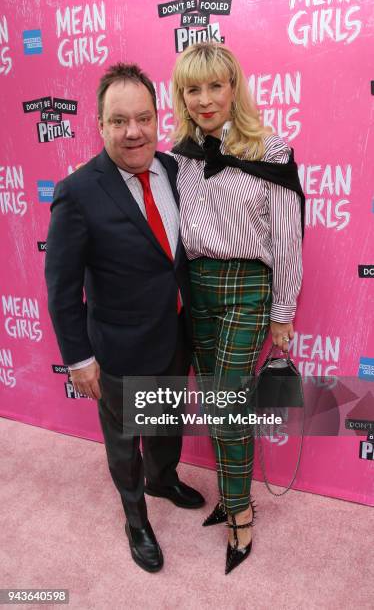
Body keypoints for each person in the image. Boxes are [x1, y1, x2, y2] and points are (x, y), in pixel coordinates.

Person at [45, 63, 205, 574]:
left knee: (165, 424)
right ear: (99, 123)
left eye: (142, 118)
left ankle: (163, 479)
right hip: (115, 346)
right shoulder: (77, 192)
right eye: (119, 121)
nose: (133, 131)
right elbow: (62, 288)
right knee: (124, 441)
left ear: (158, 118)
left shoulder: (176, 170)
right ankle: (135, 517)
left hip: (174, 333)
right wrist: (78, 359)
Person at [171, 43, 304, 574]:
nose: (205, 99)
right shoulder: (177, 158)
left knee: (226, 406)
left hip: (250, 286)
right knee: (217, 403)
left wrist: (284, 310)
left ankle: (241, 514)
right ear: (182, 95)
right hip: (197, 289)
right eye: (192, 89)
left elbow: (288, 238)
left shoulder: (271, 151)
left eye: (214, 86)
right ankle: (230, 496)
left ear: (234, 87)